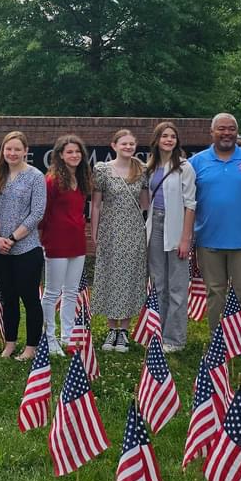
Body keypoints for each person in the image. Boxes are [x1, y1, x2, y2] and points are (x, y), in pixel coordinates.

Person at [189, 113, 241, 345]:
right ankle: (218, 339)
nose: (227, 133)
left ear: (237, 132)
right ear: (212, 132)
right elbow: (188, 199)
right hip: (208, 239)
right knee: (215, 292)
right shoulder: (196, 163)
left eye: (231, 129)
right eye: (221, 129)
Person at [0, 131, 46, 361]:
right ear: (3, 151)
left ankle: (31, 347)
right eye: (8, 149)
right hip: (0, 249)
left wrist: (12, 238)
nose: (12, 153)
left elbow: (37, 213)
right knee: (8, 298)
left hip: (26, 248)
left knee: (29, 298)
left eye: (17, 149)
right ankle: (10, 343)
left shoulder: (35, 176)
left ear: (25, 151)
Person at [91, 128, 149, 353]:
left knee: (130, 276)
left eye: (131, 144)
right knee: (109, 275)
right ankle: (110, 328)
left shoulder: (142, 170)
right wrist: (94, 233)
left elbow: (146, 204)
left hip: (134, 231)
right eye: (123, 143)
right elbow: (96, 204)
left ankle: (124, 329)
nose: (127, 147)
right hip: (110, 230)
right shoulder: (102, 170)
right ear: (114, 145)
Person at [145, 121, 196, 353]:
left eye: (172, 137)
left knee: (176, 285)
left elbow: (190, 205)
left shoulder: (184, 167)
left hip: (176, 226)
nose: (168, 140)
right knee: (158, 283)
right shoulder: (151, 166)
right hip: (154, 224)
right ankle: (159, 332)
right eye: (164, 136)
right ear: (157, 140)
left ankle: (175, 338)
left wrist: (185, 239)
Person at [39, 134, 92, 355]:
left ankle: (67, 336)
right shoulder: (51, 181)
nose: (74, 155)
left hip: (77, 242)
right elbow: (42, 213)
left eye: (77, 151)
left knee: (71, 291)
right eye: (69, 152)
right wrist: (44, 240)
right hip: (56, 242)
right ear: (60, 155)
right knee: (52, 292)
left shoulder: (82, 179)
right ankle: (49, 338)